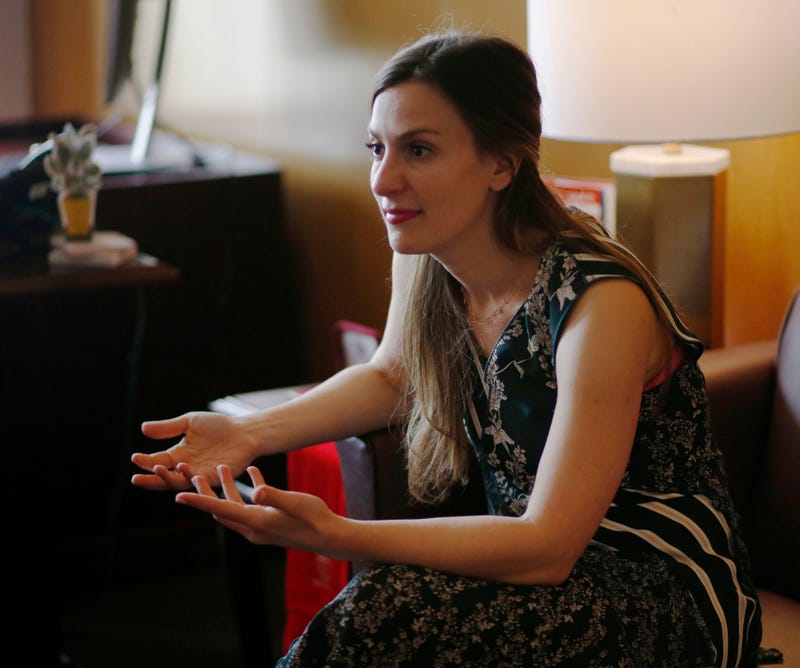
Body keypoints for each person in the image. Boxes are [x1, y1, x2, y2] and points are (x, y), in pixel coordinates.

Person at [131, 31, 763, 667]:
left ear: (501, 163)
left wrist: (337, 535)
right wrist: (251, 433)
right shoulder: (430, 255)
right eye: (377, 148)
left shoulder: (601, 304)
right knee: (383, 613)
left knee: (382, 613)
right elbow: (393, 375)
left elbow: (548, 546)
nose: (385, 178)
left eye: (420, 149)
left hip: (660, 590)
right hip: (532, 564)